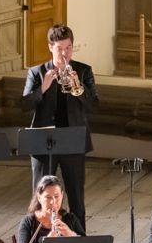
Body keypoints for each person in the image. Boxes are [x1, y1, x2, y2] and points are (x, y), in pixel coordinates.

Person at [22, 23, 98, 221]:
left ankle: (79, 238)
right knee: (41, 198)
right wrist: (43, 87)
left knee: (76, 198)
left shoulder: (83, 71)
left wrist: (78, 88)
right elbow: (24, 104)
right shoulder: (36, 72)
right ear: (50, 47)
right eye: (59, 48)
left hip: (73, 141)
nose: (64, 53)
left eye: (68, 48)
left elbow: (94, 105)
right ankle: (39, 237)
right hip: (43, 142)